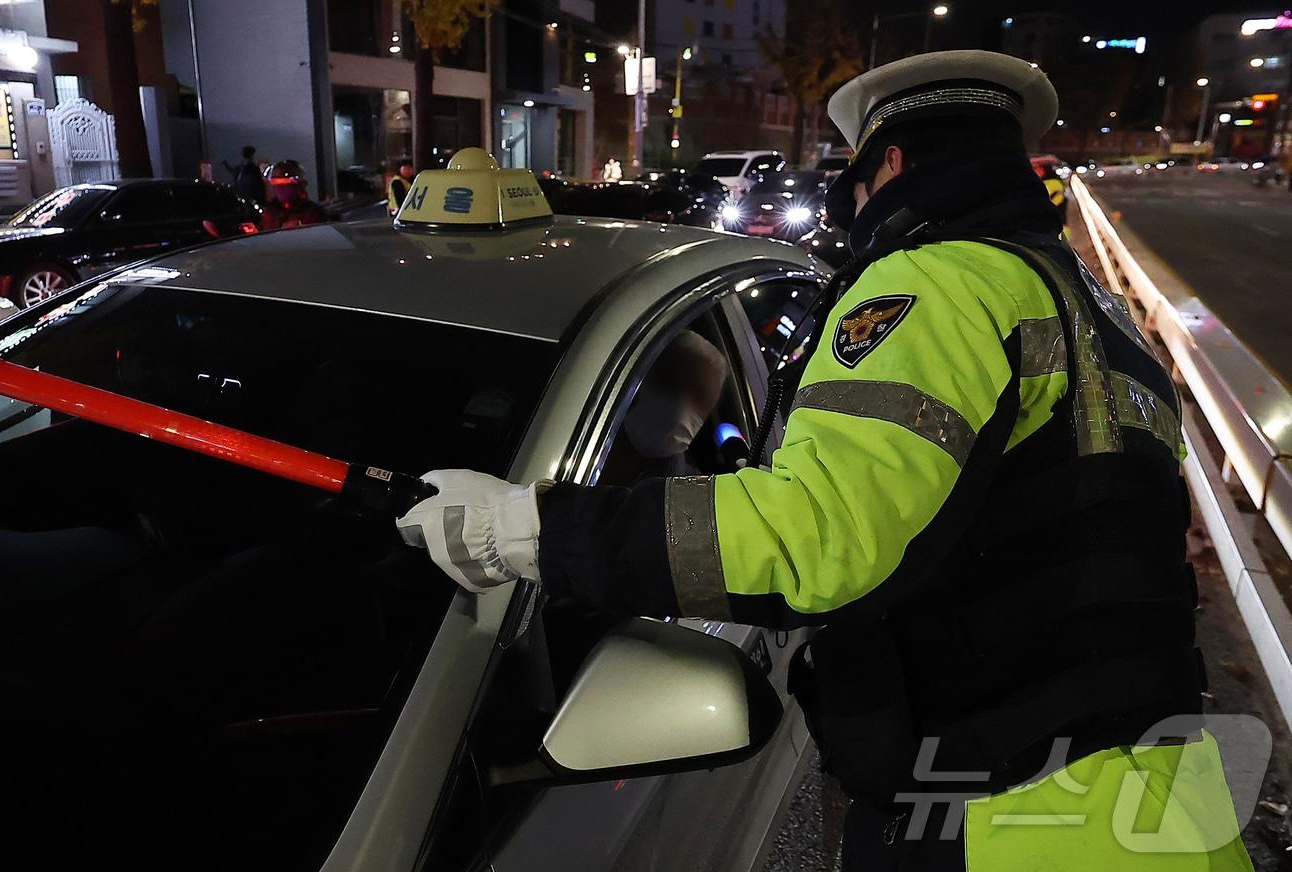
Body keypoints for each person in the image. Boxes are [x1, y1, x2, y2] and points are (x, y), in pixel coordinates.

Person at [397, 50, 1253, 871]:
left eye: (859, 174)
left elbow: (821, 534)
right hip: (1159, 799)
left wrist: (525, 528)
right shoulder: (1093, 312)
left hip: (1010, 814)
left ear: (893, 163)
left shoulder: (941, 286)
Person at [601, 331, 728, 484]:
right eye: (670, 382)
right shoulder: (578, 421)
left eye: (699, 398)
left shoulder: (687, 498)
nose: (680, 405)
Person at [260, 159, 327, 230]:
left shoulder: (313, 213)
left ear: (299, 186)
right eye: (276, 184)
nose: (279, 189)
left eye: (284, 184)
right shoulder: (270, 213)